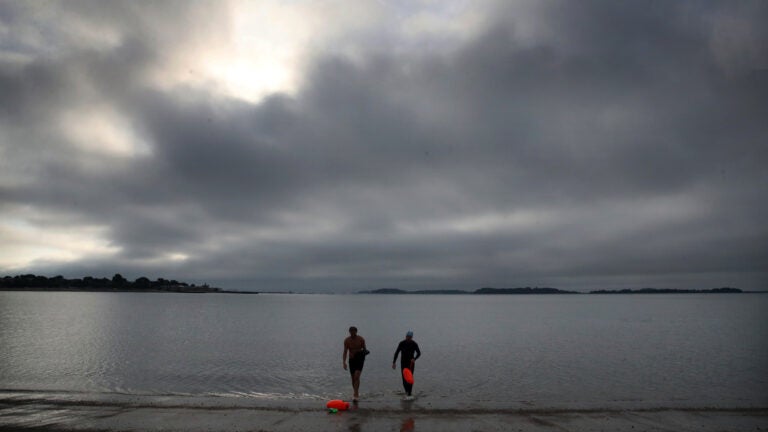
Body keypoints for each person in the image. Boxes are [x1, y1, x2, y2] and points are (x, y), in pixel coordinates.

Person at [392, 330, 421, 400]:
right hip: (403, 363)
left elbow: (419, 353)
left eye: (410, 337)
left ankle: (410, 393)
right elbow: (396, 353)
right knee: (404, 379)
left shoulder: (414, 344)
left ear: (412, 337)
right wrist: (394, 362)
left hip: (411, 364)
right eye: (407, 336)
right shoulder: (402, 343)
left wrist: (414, 359)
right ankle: (407, 392)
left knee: (410, 379)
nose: (408, 338)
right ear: (405, 336)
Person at [343, 326, 367, 402]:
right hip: (351, 360)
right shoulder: (347, 340)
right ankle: (355, 392)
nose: (352, 333)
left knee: (357, 376)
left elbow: (365, 350)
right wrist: (344, 362)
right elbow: (345, 351)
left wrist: (361, 354)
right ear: (349, 332)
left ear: (356, 332)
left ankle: (356, 394)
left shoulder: (361, 339)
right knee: (353, 378)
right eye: (351, 332)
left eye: (354, 331)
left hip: (360, 359)